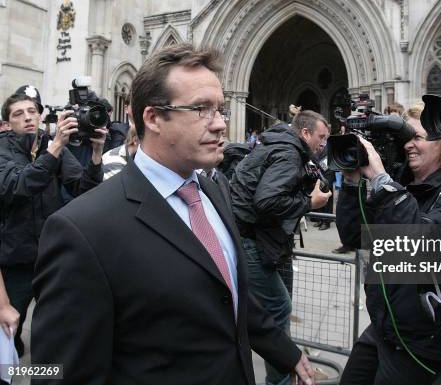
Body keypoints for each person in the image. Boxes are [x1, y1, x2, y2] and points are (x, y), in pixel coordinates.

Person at [31, 43, 315, 385]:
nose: (220, 125)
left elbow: (229, 295)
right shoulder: (83, 230)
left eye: (220, 109)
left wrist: (286, 351)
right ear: (153, 118)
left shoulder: (213, 191)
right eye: (201, 109)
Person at [338, 104, 441, 385]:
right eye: (405, 138)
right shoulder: (401, 186)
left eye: (417, 137)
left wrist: (382, 183)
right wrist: (352, 182)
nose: (409, 144)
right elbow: (353, 235)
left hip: (425, 342)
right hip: (386, 327)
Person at [231, 110, 331, 385]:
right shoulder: (288, 154)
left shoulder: (282, 147)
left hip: (268, 241)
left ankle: (288, 369)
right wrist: (310, 204)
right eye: (321, 137)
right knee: (278, 307)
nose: (323, 144)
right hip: (251, 240)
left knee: (278, 311)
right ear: (305, 133)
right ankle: (281, 379)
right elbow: (266, 201)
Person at [0, 93, 105, 357]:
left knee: (59, 324)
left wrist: (95, 154)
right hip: (16, 261)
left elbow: (82, 187)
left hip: (52, 257)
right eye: (18, 114)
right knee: (11, 326)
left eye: (32, 112)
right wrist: (56, 147)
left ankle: (50, 372)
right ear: (6, 123)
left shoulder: (49, 143)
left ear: (40, 115)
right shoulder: (2, 150)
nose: (27, 117)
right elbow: (19, 185)